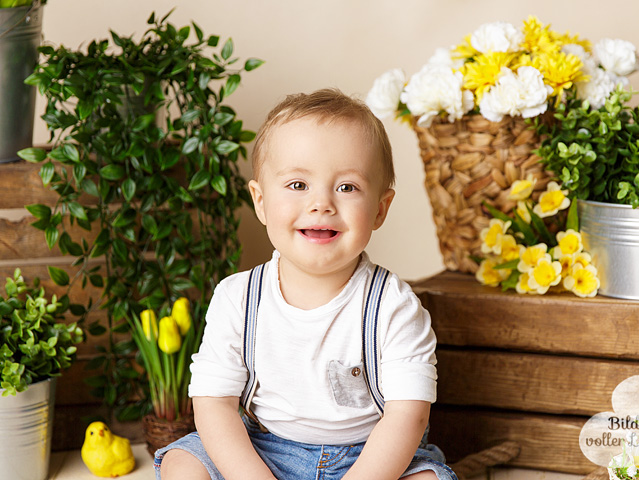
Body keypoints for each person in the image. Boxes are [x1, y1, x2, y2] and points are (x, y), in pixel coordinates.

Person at [153, 88, 458, 480]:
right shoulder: (239, 298)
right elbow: (214, 403)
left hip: (369, 457)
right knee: (183, 465)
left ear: (380, 209)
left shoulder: (393, 305)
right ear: (260, 201)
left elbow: (407, 416)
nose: (322, 203)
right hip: (261, 449)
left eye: (347, 187)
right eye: (298, 185)